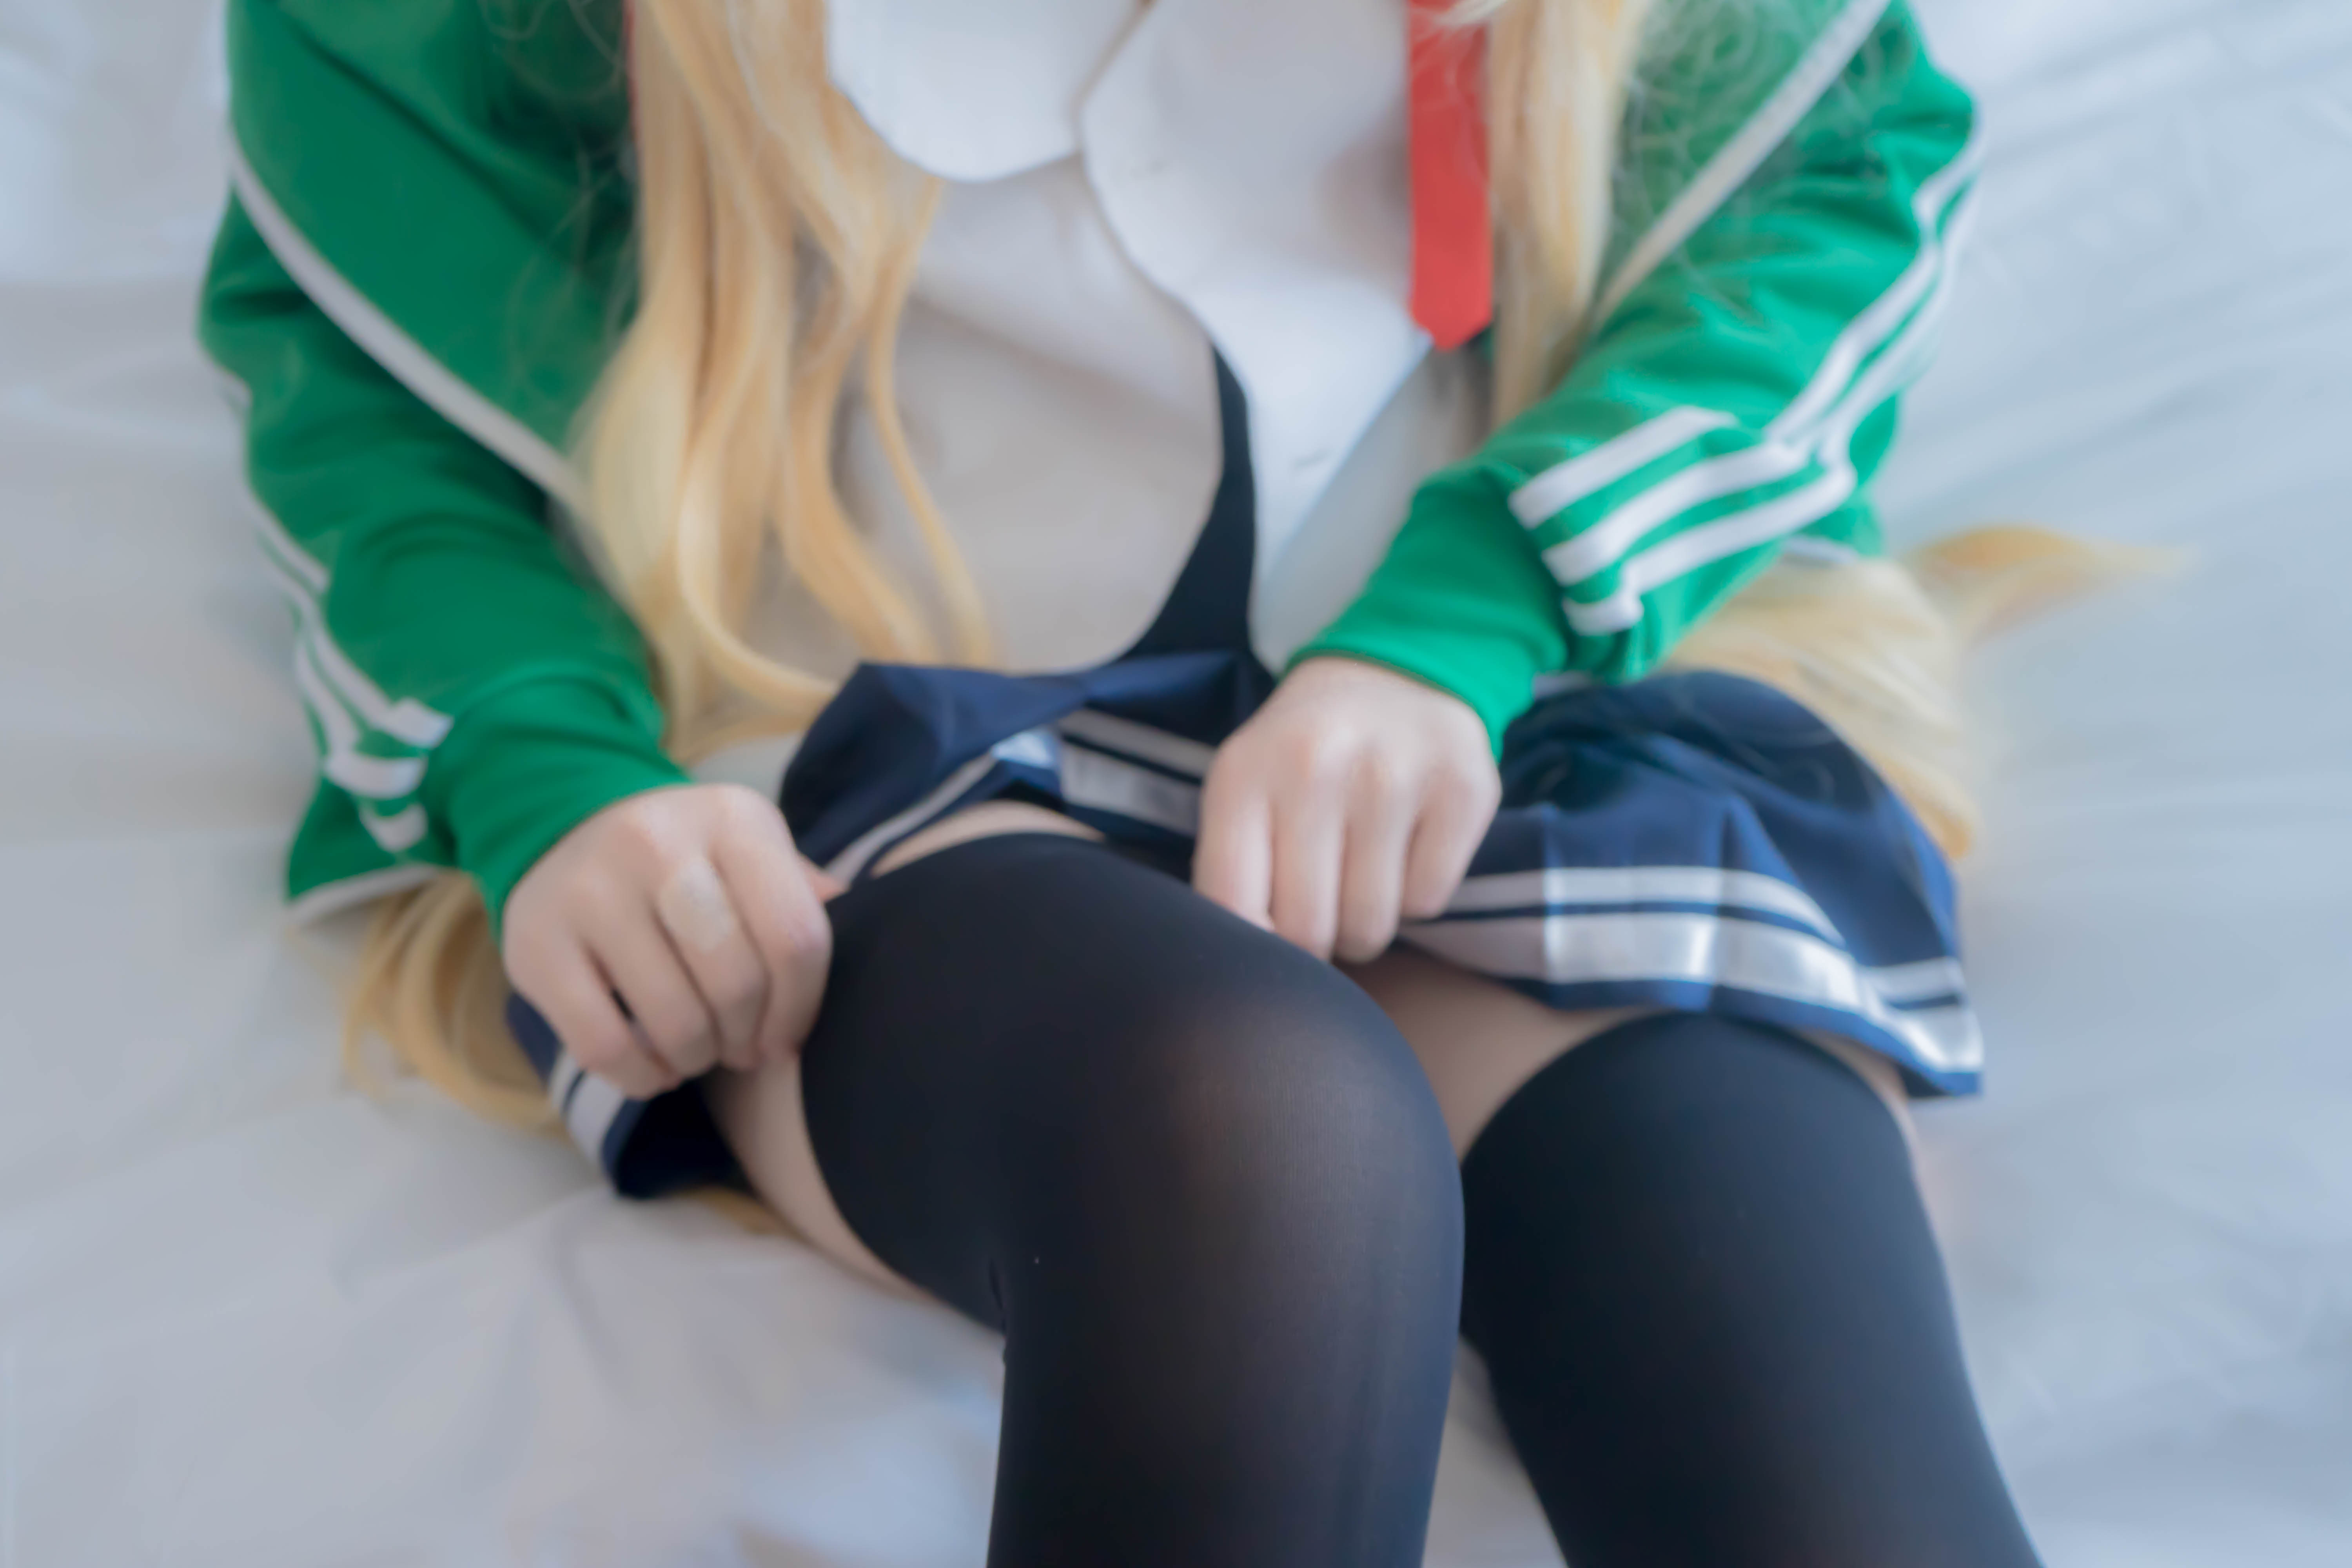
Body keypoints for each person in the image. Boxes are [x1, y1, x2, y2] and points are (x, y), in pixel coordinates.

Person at [203, 0, 2088, 1560]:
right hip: (876, 772)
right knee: (1254, 1146)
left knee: (1783, 1362)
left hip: (1490, 720)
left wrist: (1468, 619)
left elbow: (1829, 183)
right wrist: (549, 767)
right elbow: (375, 414)